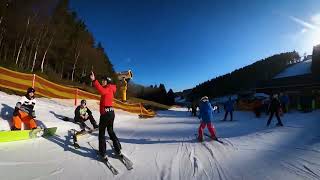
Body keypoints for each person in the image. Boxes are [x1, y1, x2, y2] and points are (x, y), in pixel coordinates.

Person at [90, 72, 122, 158]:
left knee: (101, 133)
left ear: (108, 81)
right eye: (102, 80)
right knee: (110, 131)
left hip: (106, 114)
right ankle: (118, 148)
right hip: (111, 112)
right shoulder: (111, 88)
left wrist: (94, 80)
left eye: (104, 80)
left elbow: (101, 90)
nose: (102, 82)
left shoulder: (107, 88)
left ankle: (103, 152)